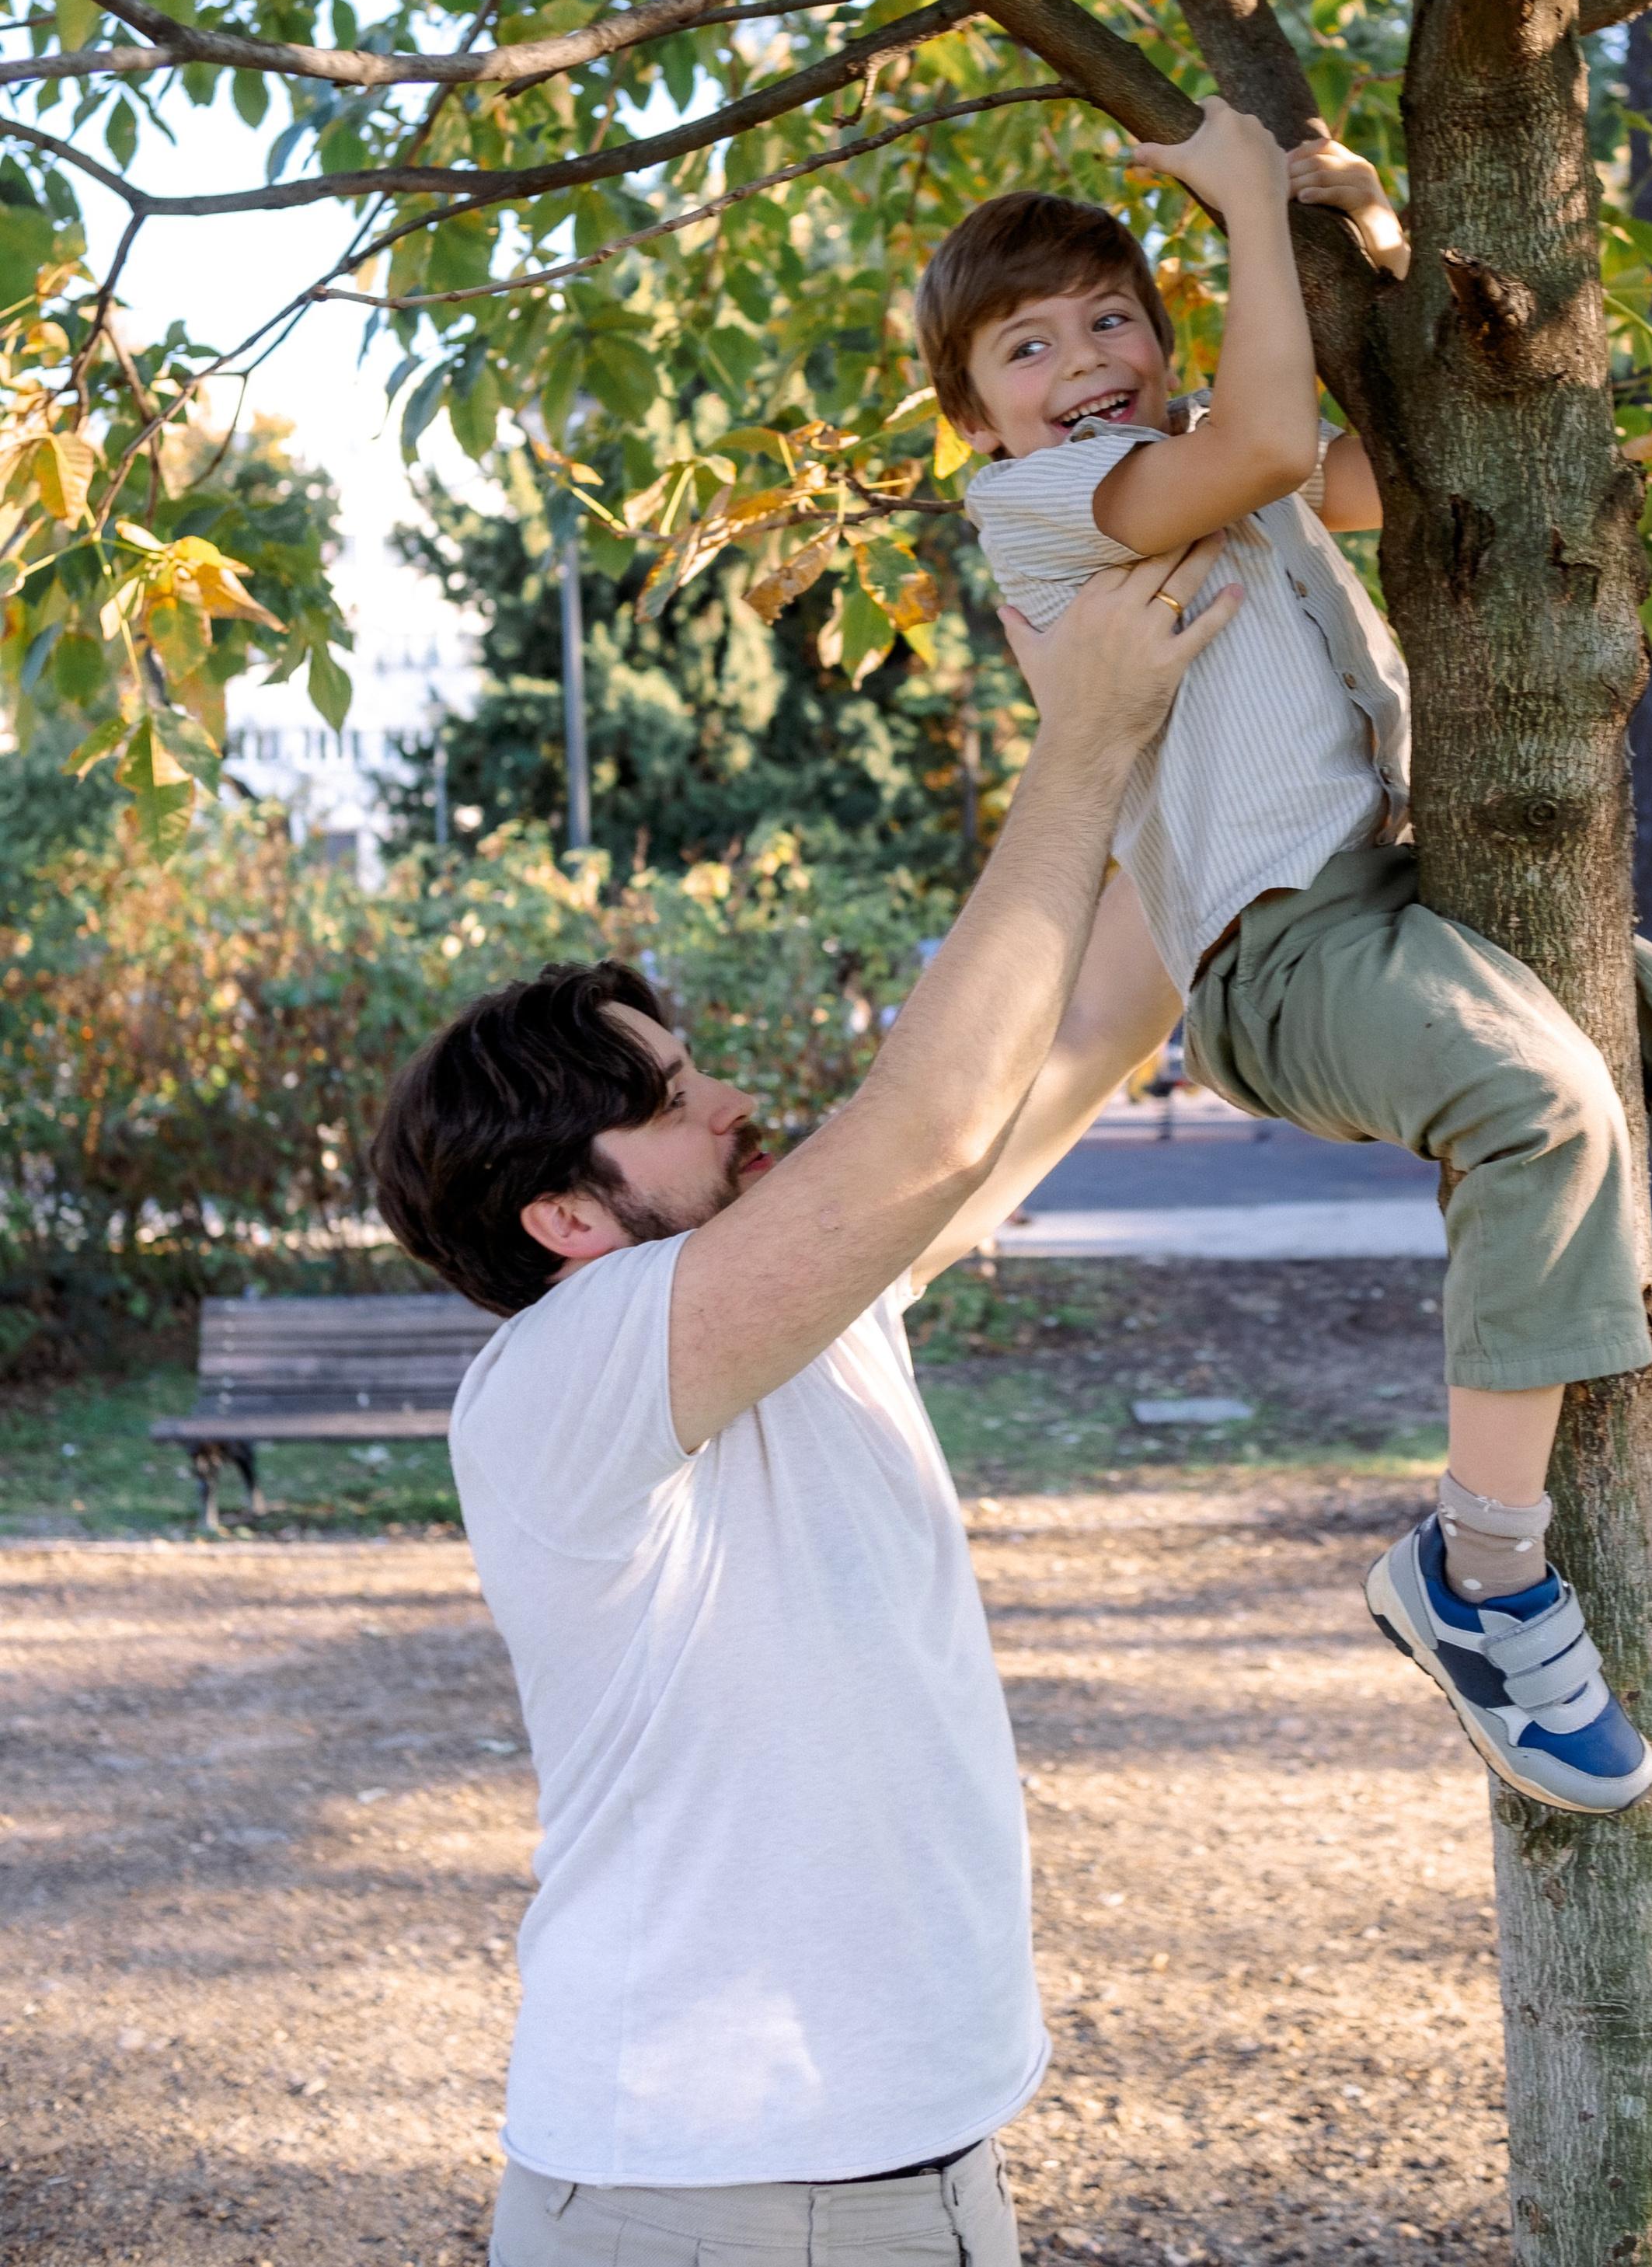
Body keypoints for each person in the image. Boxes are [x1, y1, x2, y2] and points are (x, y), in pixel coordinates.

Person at [912, 101, 1652, 1821]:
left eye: (1108, 316)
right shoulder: (1047, 507)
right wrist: (1234, 209)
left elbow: (1406, 445)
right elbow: (1281, 446)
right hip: (1278, 953)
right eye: (1025, 343)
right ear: (972, 413)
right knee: (1545, 1107)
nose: (1083, 360)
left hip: (1422, 892)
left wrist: (1358, 241)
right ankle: (1480, 1573)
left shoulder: (1215, 448)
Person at [368, 542, 1239, 2267]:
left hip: (922, 2169)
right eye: (679, 1100)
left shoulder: (817, 1310)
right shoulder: (558, 1379)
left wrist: (1210, 687)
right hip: (707, 2198)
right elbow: (915, 1129)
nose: (735, 1102)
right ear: (564, 1213)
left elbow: (1100, 1005)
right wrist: (1069, 744)